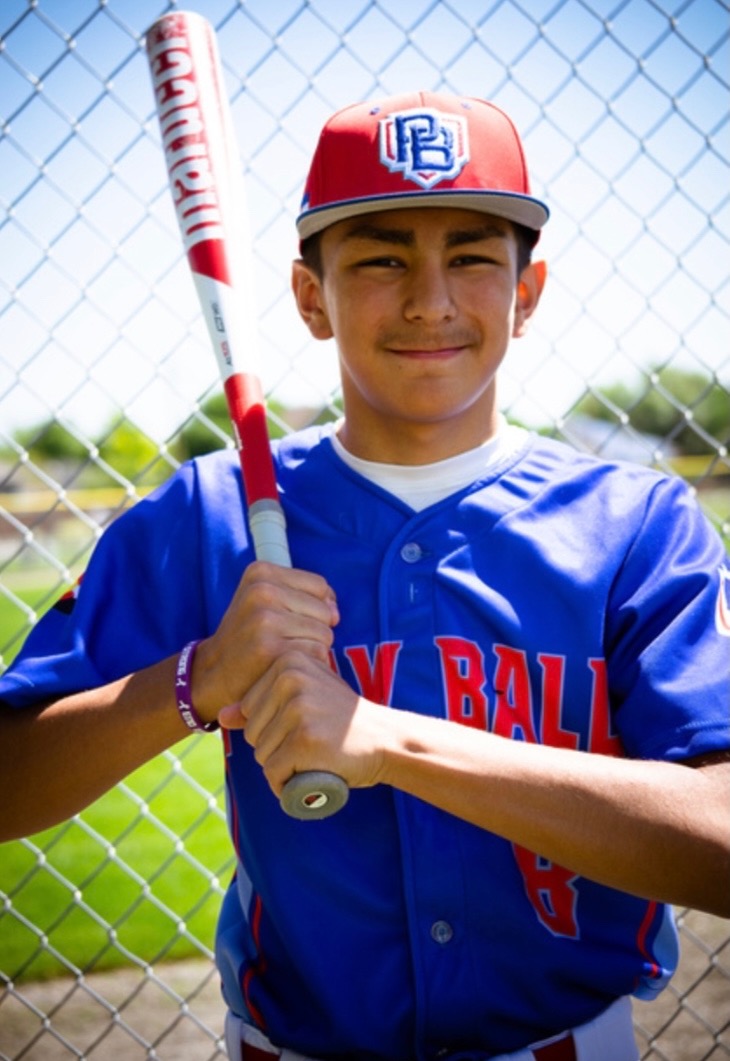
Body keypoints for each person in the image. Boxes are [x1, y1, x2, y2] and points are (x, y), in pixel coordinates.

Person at [1, 91, 728, 1061]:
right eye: (382, 258)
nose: (430, 299)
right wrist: (193, 678)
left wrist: (386, 740)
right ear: (311, 296)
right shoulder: (209, 514)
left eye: (471, 256)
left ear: (527, 290)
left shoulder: (637, 524)